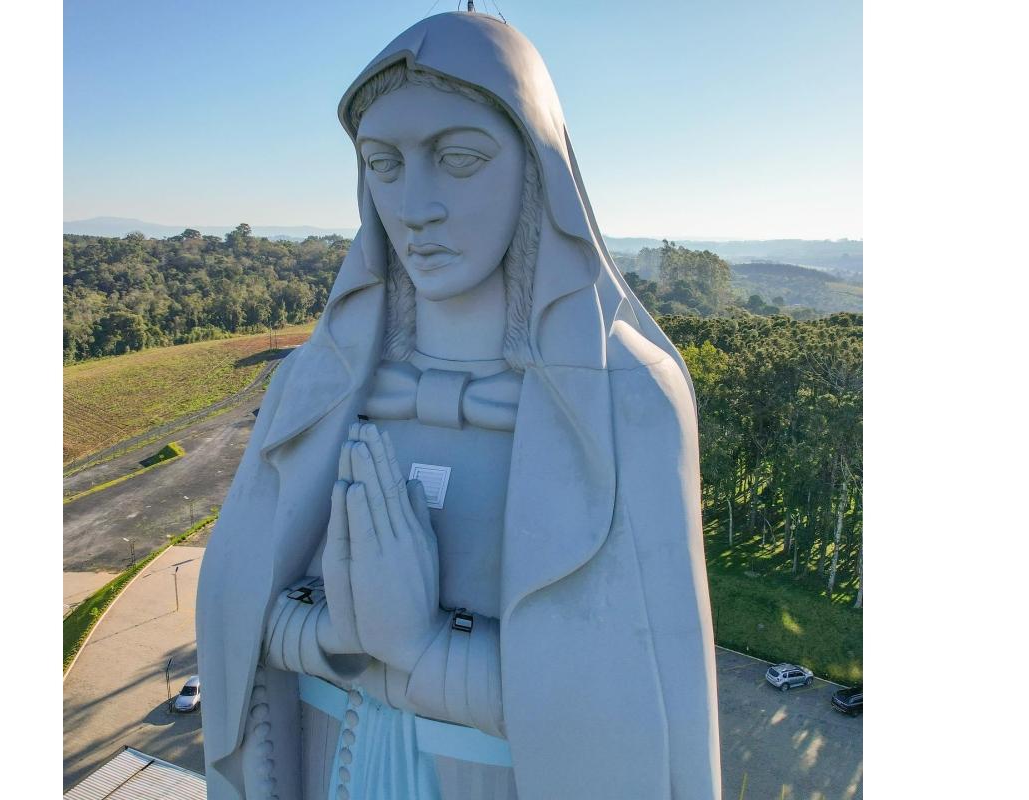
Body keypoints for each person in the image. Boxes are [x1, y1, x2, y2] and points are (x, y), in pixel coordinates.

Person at [197, 11, 721, 799]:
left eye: (460, 159)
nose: (416, 206)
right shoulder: (314, 385)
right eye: (384, 164)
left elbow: (650, 707)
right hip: (325, 764)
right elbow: (235, 617)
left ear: (537, 165)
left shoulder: (628, 398)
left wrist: (418, 642)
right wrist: (339, 630)